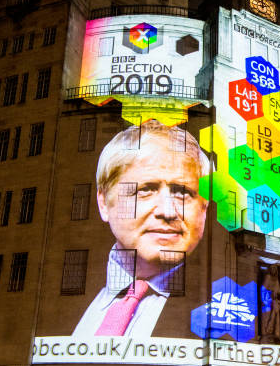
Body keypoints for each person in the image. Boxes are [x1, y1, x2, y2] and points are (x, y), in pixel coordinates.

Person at [73, 120, 209, 337]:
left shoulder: (225, 309)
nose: (168, 211)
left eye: (183, 193)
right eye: (146, 190)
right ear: (104, 202)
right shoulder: (61, 299)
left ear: (204, 207)